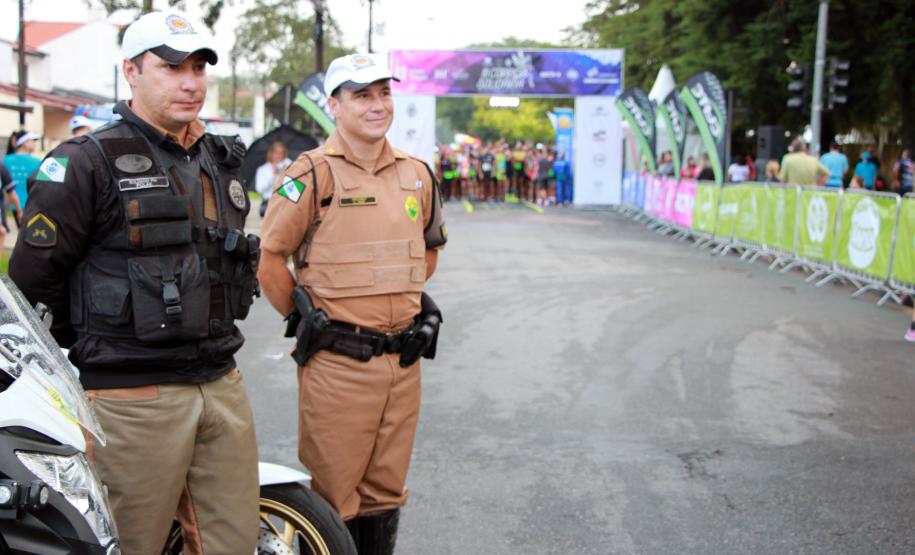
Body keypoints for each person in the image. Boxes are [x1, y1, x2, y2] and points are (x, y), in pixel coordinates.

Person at [8, 11, 260, 554]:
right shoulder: (85, 162)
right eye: (170, 67)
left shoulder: (220, 160)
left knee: (231, 543)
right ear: (131, 71)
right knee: (129, 544)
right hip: (133, 396)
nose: (189, 81)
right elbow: (32, 285)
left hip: (221, 383)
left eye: (198, 67)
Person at [257, 52, 447, 554]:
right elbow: (270, 259)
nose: (377, 104)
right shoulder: (309, 175)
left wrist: (393, 296)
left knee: (386, 490)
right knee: (333, 496)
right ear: (334, 106)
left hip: (402, 365)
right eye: (362, 95)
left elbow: (428, 249)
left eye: (384, 93)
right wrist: (304, 319)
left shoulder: (417, 174)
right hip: (338, 365)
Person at [3, 130, 39, 227]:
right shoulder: (37, 162)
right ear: (24, 142)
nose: (35, 143)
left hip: (12, 206)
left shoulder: (5, 160)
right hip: (32, 205)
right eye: (33, 140)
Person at [255, 140, 292, 217]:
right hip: (269, 201)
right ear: (271, 153)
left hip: (285, 200)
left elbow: (293, 186)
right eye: (277, 153)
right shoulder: (262, 169)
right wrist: (273, 176)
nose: (279, 156)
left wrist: (287, 172)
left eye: (282, 153)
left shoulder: (288, 164)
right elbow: (260, 189)